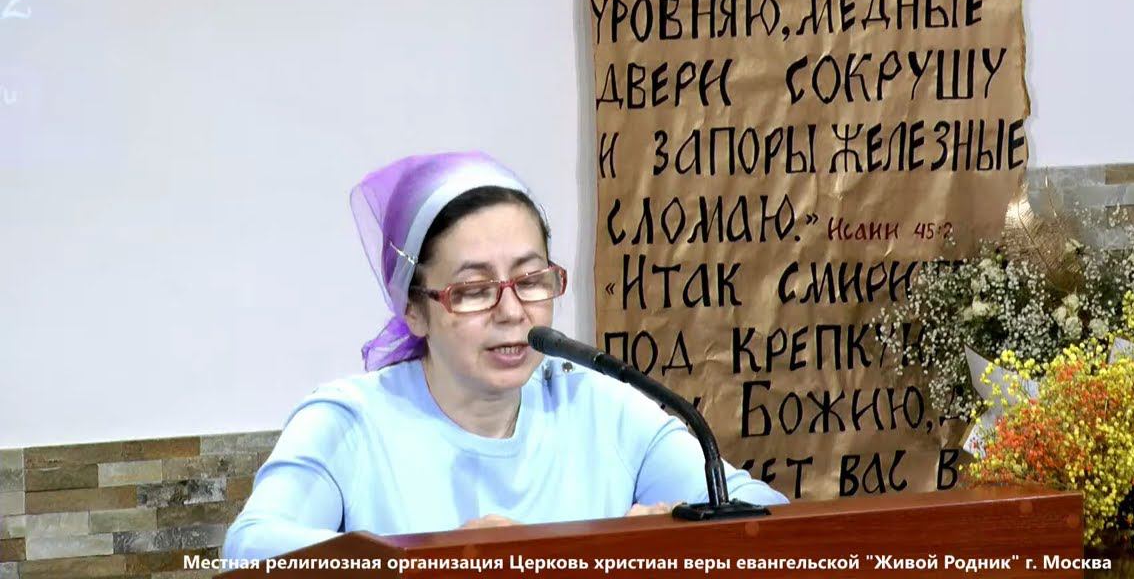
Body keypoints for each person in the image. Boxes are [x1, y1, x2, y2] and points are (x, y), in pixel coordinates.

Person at [222, 151, 786, 560]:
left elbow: (768, 516)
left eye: (531, 280)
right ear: (414, 310)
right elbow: (250, 548)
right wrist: (440, 560)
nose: (512, 311)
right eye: (473, 290)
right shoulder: (349, 420)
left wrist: (687, 532)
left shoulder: (602, 405)